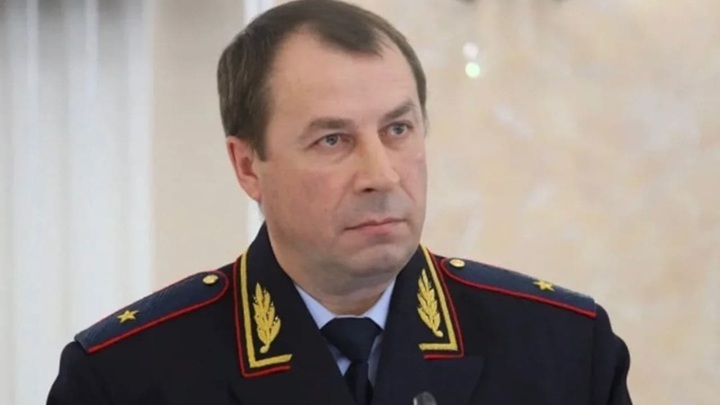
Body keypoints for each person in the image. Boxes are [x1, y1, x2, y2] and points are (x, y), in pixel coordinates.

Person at [47, 1, 632, 404]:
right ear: (248, 166)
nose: (381, 175)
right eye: (333, 140)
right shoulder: (124, 377)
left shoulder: (565, 349)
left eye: (398, 130)